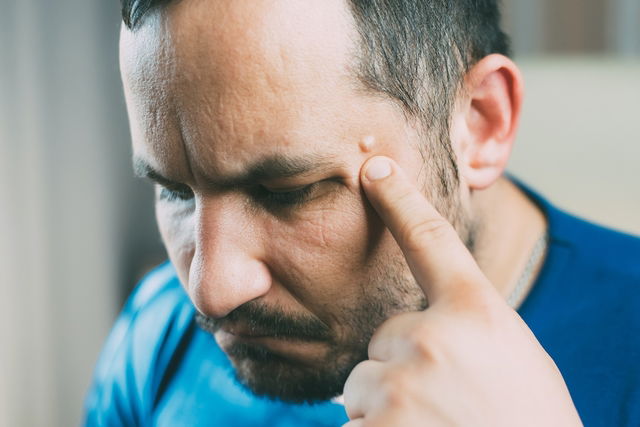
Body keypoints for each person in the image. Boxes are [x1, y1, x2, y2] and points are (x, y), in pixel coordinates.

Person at [84, 0, 640, 425]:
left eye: (288, 190)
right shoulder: (156, 331)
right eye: (176, 192)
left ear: (480, 123)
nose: (211, 292)